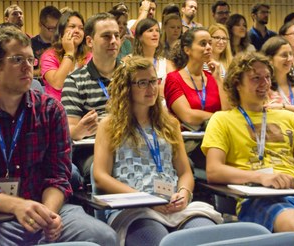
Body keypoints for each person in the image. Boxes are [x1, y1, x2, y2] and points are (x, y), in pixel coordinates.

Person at [0, 26, 118, 246]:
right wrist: (17, 206)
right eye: (17, 59)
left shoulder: (51, 110)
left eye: (31, 60)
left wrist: (46, 214)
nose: (27, 67)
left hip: (48, 208)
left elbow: (59, 176)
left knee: (104, 237)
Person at [202, 51, 294, 246]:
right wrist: (261, 177)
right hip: (258, 198)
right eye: (256, 78)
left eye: (267, 77)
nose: (264, 83)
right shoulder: (222, 120)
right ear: (237, 83)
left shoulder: (288, 118)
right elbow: (213, 171)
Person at [93, 56, 222, 246]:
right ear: (126, 88)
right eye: (142, 83)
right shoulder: (109, 125)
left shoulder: (169, 123)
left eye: (154, 81)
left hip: (172, 205)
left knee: (204, 233)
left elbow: (185, 172)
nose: (151, 88)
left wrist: (184, 193)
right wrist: (146, 199)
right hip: (134, 208)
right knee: (158, 240)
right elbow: (100, 176)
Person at [61, 12, 120, 176]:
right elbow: (71, 130)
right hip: (94, 149)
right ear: (90, 41)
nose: (114, 41)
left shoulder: (132, 76)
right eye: (106, 36)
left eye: (116, 35)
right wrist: (78, 131)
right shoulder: (75, 80)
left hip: (134, 143)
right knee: (108, 168)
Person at [165, 27, 228, 131]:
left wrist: (219, 79)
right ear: (187, 50)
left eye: (209, 43)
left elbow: (228, 111)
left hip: (217, 137)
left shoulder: (213, 77)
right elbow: (188, 116)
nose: (209, 47)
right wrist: (219, 118)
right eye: (203, 44)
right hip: (189, 141)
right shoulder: (174, 78)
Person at [40, 10, 90, 101]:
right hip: (58, 109)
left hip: (85, 106)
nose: (77, 31)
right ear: (61, 31)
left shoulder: (90, 56)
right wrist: (69, 53)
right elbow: (57, 84)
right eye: (72, 27)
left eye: (81, 28)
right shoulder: (49, 56)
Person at [132, 18, 170, 98]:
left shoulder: (165, 63)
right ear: (140, 36)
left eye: (157, 30)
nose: (155, 34)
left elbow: (172, 90)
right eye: (150, 30)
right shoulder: (130, 61)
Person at [31, 6, 61, 77]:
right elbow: (24, 72)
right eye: (51, 28)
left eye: (57, 28)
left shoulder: (63, 45)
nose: (55, 32)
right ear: (40, 25)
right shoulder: (29, 45)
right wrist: (48, 70)